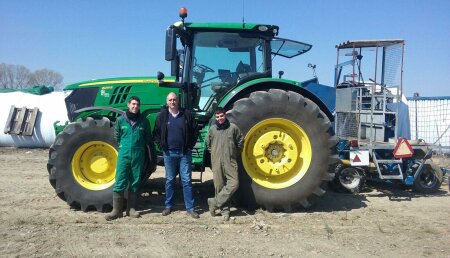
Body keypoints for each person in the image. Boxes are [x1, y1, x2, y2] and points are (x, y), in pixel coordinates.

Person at [153, 92, 200, 219]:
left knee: (186, 180)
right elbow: (156, 133)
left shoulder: (187, 115)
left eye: (174, 100)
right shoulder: (162, 116)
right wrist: (161, 146)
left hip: (184, 153)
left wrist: (190, 146)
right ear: (167, 102)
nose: (172, 102)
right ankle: (168, 206)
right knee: (169, 180)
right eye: (170, 100)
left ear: (178, 101)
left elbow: (195, 131)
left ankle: (190, 208)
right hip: (169, 153)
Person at [105, 96, 151, 221]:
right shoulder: (120, 120)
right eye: (133, 104)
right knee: (120, 179)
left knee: (135, 181)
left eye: (137, 104)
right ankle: (116, 211)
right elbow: (117, 136)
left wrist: (139, 146)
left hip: (138, 154)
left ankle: (131, 209)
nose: (135, 106)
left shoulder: (144, 121)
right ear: (128, 104)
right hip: (124, 154)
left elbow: (147, 137)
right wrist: (125, 146)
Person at [206, 107, 243, 221]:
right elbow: (208, 144)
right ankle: (225, 211)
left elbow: (241, 140)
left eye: (221, 116)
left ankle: (214, 202)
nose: (219, 118)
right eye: (217, 117)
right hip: (216, 160)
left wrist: (234, 153)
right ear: (215, 117)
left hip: (230, 160)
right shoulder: (212, 129)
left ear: (225, 115)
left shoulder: (233, 128)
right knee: (219, 186)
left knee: (234, 183)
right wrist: (215, 154)